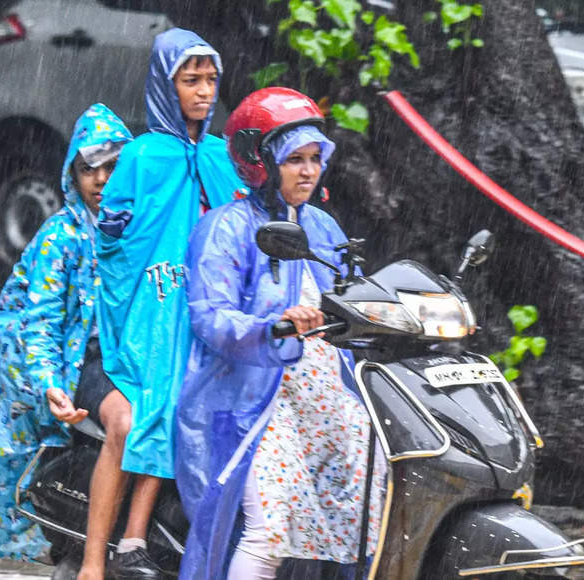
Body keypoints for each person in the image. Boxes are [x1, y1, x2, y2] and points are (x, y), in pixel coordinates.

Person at [175, 88, 388, 580]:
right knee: (269, 532)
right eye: (295, 159)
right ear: (260, 161)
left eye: (315, 158)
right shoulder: (225, 228)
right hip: (256, 402)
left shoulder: (325, 227)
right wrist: (274, 326)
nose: (309, 171)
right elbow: (211, 316)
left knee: (367, 517)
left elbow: (352, 299)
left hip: (328, 396)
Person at [85, 28, 245, 580]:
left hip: (209, 308)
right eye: (190, 80)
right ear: (165, 84)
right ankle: (116, 547)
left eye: (210, 80)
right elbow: (114, 246)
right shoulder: (142, 156)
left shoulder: (223, 155)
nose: (203, 92)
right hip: (154, 309)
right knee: (156, 407)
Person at [0, 103, 132, 563]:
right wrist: (50, 385)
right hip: (78, 365)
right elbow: (37, 324)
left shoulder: (139, 233)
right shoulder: (58, 239)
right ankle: (95, 560)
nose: (101, 181)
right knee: (123, 424)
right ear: (71, 174)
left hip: (130, 361)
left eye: (113, 167)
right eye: (89, 169)